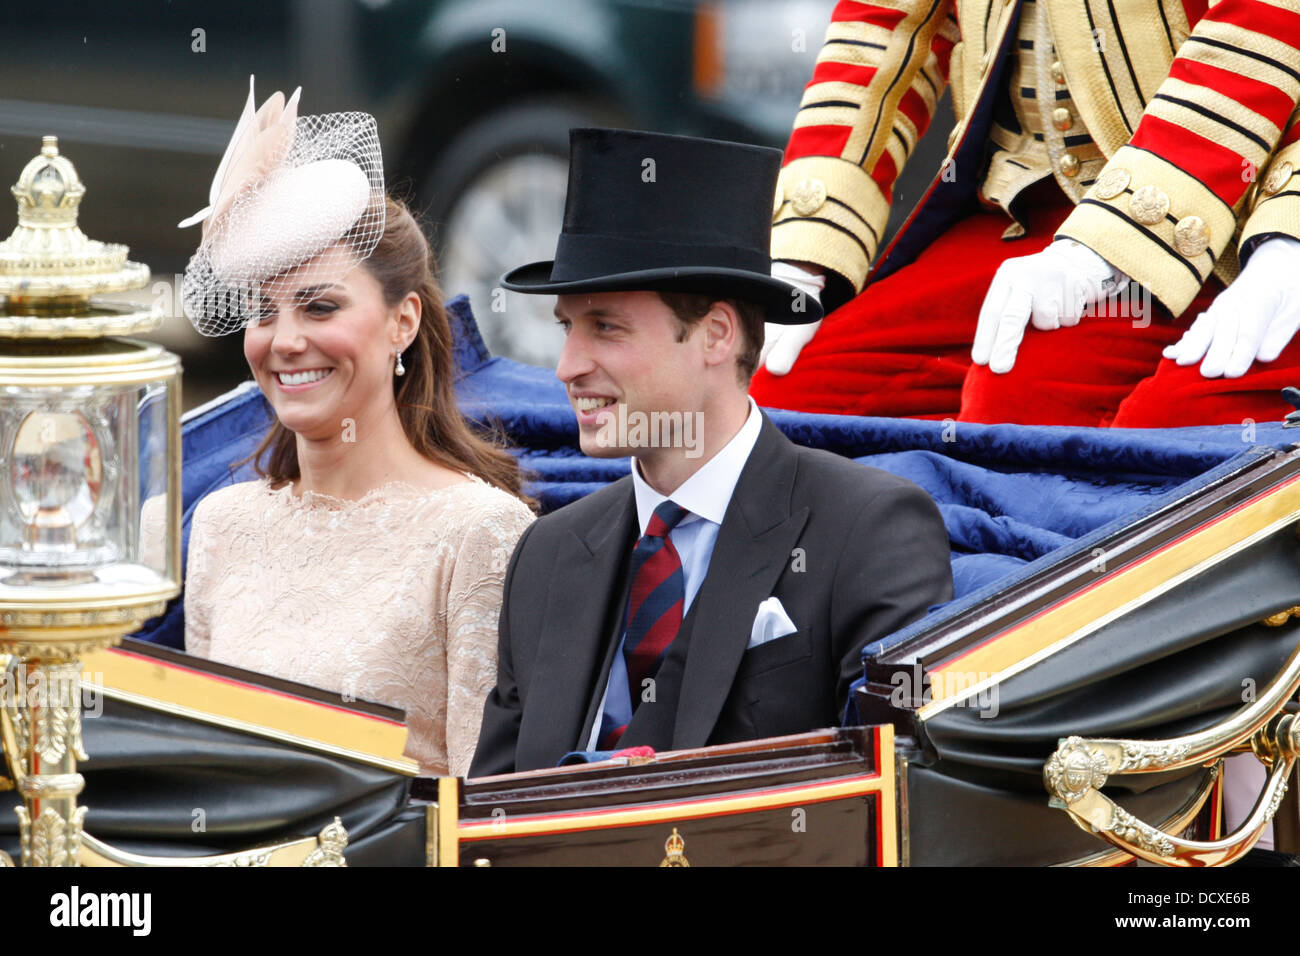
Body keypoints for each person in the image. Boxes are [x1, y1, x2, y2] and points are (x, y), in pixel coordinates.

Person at [470, 128, 953, 776]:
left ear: (715, 335)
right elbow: (489, 817)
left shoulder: (868, 530)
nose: (567, 366)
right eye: (566, 329)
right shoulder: (548, 554)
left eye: (605, 327)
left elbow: (897, 804)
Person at [179, 79, 535, 777]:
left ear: (402, 323)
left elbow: (484, 805)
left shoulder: (482, 532)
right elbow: (204, 782)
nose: (283, 341)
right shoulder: (222, 525)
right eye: (264, 312)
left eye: (319, 308)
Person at [749, 0, 1300, 427]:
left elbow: (1262, 28)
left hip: (1217, 197)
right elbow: (881, 31)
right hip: (1021, 203)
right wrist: (806, 249)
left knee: (1023, 399)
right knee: (779, 400)